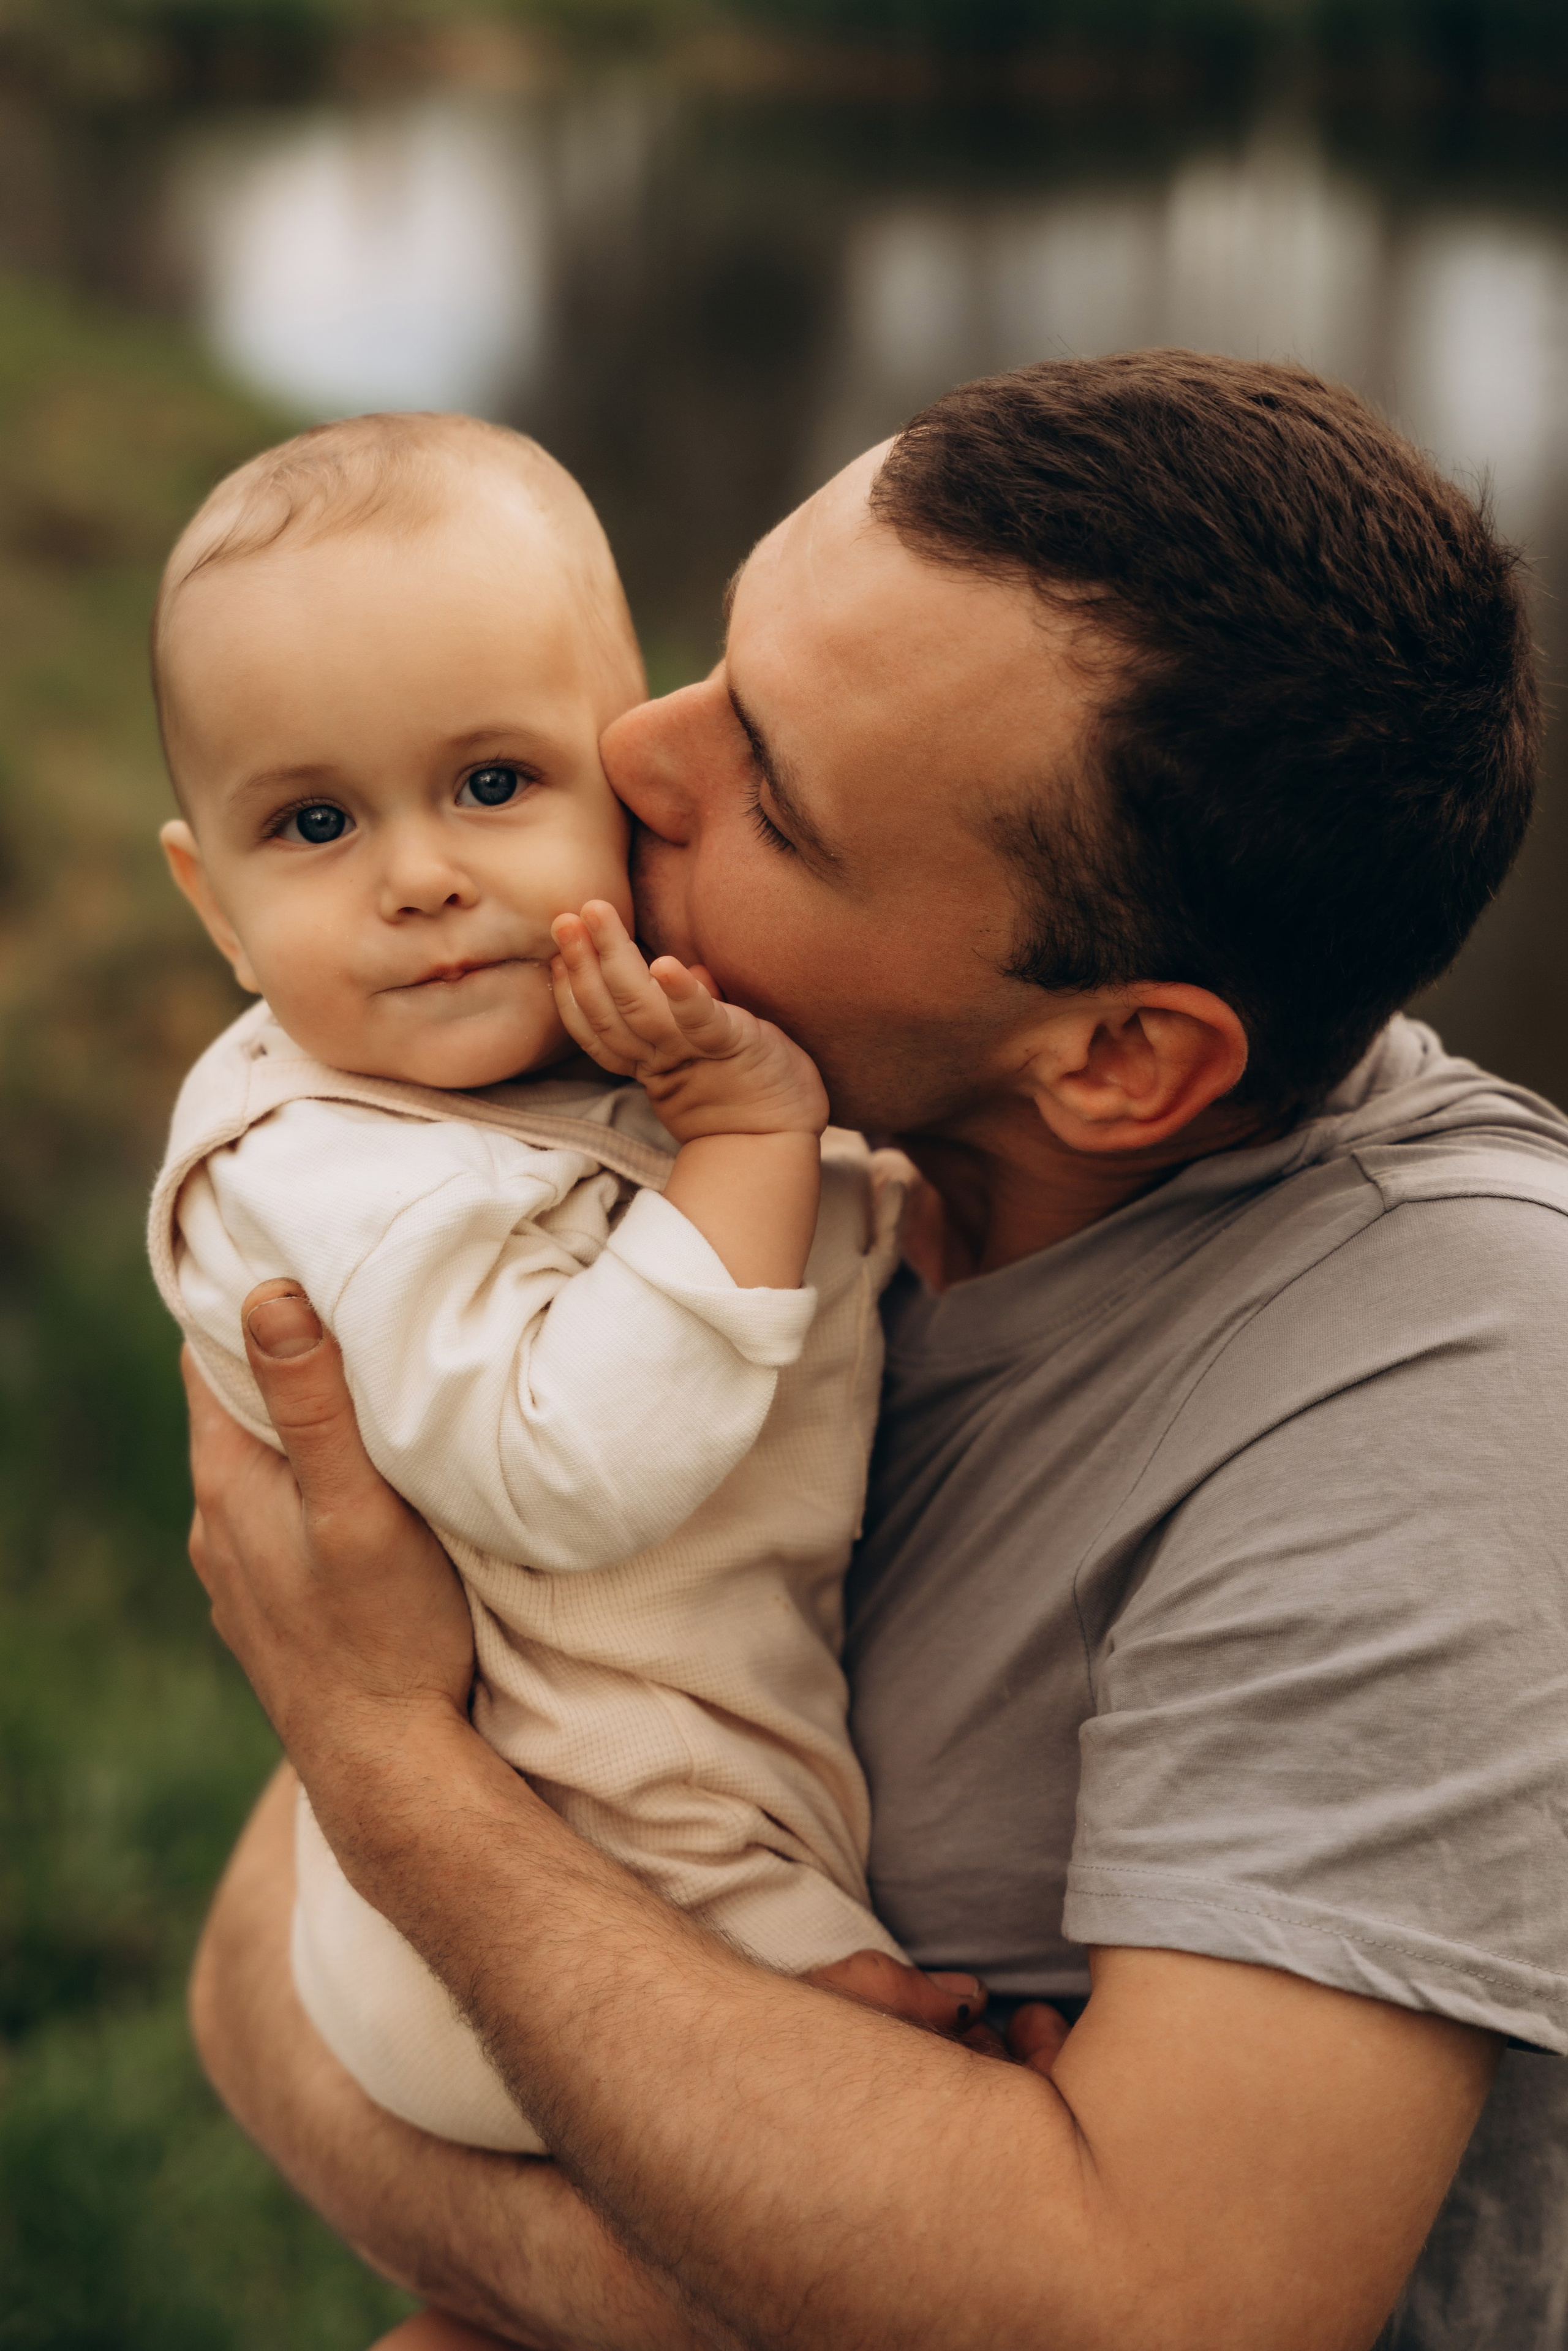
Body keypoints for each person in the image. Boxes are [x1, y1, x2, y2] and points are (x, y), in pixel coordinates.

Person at [179, 353, 1568, 2351]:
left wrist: (392, 1768)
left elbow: (1159, 2317)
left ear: (1118, 1058)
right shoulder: (737, 1144)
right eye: (720, 662)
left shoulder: (1458, 1363)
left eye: (773, 789)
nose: (633, 754)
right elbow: (253, 1985)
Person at [148, 410, 915, 2157]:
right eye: (317, 822)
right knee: (888, 2141)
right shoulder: (326, 1177)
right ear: (214, 905)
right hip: (562, 1925)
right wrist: (753, 1137)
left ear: (624, 777)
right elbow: (564, 1464)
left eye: (494, 786)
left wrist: (869, 1190)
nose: (422, 878)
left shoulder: (542, 1052)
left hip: (604, 1849)